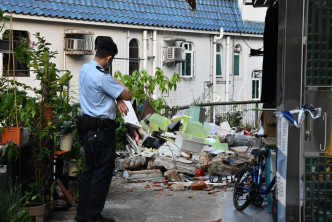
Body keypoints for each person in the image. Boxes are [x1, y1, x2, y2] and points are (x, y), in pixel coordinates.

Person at [75, 39, 131, 222]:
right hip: (102, 132)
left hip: (88, 130)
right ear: (109, 58)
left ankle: (82, 214)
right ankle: (93, 215)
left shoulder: (85, 69)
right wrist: (120, 86)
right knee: (102, 173)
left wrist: (118, 100)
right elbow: (127, 94)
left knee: (90, 171)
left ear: (95, 51)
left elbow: (110, 94)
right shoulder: (102, 76)